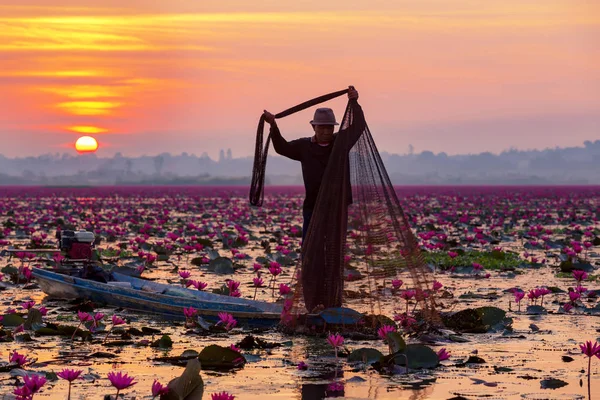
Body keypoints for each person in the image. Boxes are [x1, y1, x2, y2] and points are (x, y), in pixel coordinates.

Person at [262, 86, 361, 242]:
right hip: (313, 207)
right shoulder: (304, 146)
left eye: (329, 127)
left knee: (333, 247)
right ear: (313, 127)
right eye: (322, 127)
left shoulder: (340, 143)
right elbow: (282, 147)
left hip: (336, 206)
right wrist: (273, 125)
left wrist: (354, 101)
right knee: (310, 246)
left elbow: (358, 126)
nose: (326, 131)